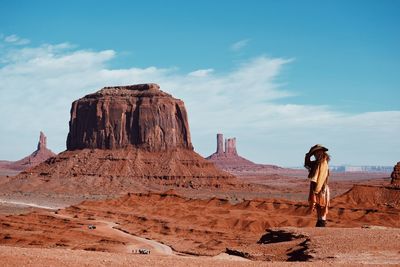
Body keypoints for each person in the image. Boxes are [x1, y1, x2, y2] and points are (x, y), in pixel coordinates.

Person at [304, 144, 330, 227]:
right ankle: (320, 224)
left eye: (316, 152)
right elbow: (307, 164)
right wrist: (309, 154)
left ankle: (321, 225)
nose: (315, 154)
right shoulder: (317, 162)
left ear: (321, 151)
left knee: (322, 207)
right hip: (317, 187)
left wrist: (316, 191)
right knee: (319, 207)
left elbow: (321, 177)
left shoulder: (323, 162)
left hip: (320, 188)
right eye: (314, 153)